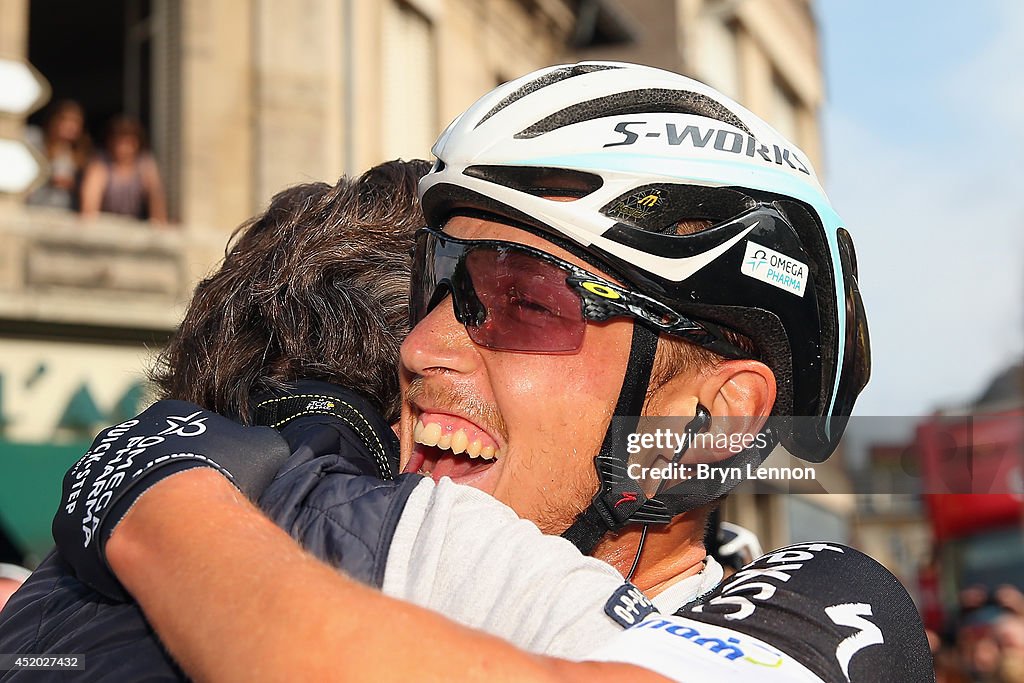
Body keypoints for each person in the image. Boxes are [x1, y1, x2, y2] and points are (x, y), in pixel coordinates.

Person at [13, 63, 933, 682]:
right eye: (443, 286)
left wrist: (165, 503)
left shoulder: (825, 611)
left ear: (712, 420)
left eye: (528, 301)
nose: (421, 346)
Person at [80, 115, 168, 223]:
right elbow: (90, 205)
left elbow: (156, 198)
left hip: (134, 224)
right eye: (119, 141)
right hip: (105, 224)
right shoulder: (100, 163)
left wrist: (160, 224)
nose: (123, 147)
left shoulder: (145, 164)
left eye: (128, 142)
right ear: (110, 141)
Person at [25, 100, 92, 210]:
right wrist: (48, 178)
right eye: (65, 119)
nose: (70, 126)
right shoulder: (33, 139)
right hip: (31, 209)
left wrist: (75, 185)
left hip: (64, 215)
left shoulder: (81, 154)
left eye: (75, 122)